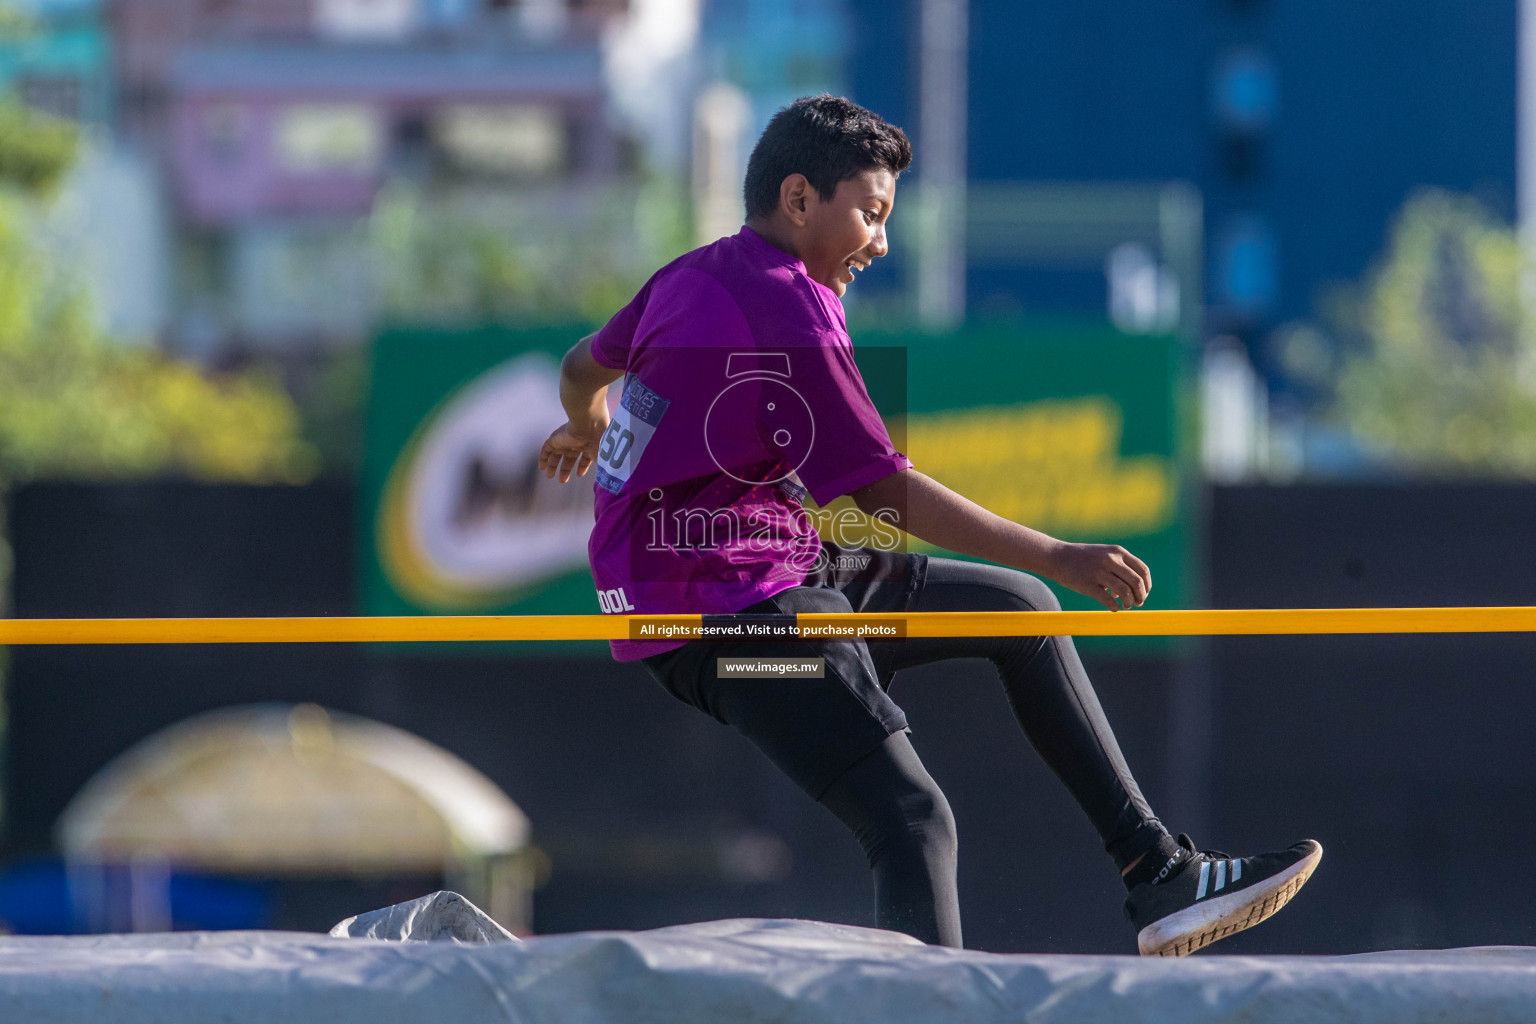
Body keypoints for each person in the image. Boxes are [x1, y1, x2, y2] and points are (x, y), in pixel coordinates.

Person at [538, 94, 1320, 956]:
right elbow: (881, 492)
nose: (880, 241)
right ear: (800, 201)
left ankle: (1157, 871)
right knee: (912, 818)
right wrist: (1061, 551)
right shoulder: (781, 306)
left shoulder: (695, 272)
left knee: (1018, 611)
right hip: (722, 623)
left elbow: (582, 365)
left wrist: (589, 419)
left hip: (777, 562)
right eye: (871, 214)